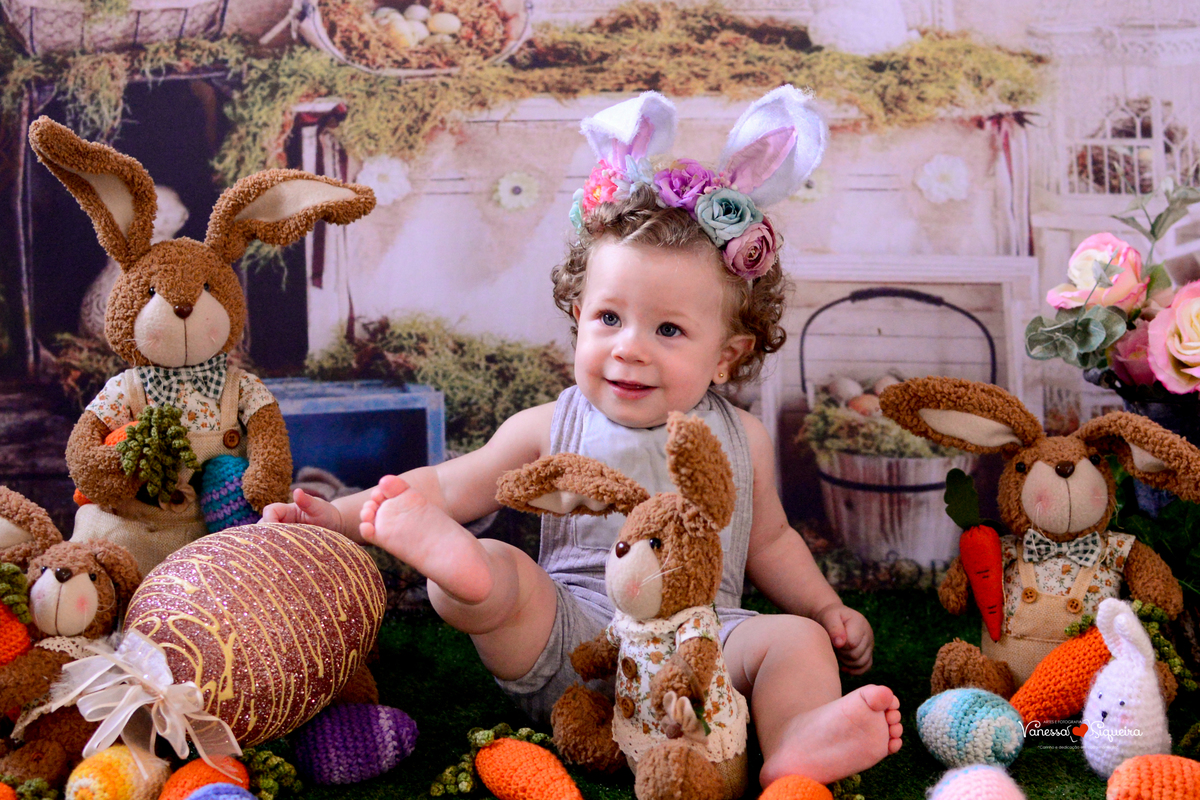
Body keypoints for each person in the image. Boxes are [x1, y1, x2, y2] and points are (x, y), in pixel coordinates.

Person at [264, 88, 902, 788]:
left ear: (726, 355)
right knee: (504, 571)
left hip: (702, 645)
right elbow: (447, 484)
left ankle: (796, 739)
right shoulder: (549, 426)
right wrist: (339, 516)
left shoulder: (740, 438)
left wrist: (823, 609)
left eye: (668, 330)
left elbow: (771, 541)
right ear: (577, 315)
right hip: (573, 639)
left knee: (795, 643)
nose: (629, 348)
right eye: (608, 319)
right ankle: (460, 574)